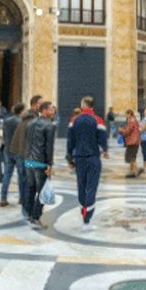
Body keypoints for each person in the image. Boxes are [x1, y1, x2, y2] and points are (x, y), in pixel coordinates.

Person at [66, 97, 108, 231]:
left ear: (83, 105)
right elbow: (103, 139)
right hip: (93, 158)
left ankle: (83, 215)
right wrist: (105, 150)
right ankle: (87, 220)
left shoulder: (74, 120)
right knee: (91, 187)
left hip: (80, 158)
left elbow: (70, 141)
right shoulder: (98, 120)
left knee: (81, 187)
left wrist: (70, 158)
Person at [23, 100, 57, 228]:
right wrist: (49, 163)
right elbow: (49, 147)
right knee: (43, 191)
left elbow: (27, 141)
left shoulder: (30, 124)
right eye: (51, 109)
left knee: (31, 188)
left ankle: (29, 213)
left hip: (29, 161)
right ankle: (35, 217)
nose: (53, 112)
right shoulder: (49, 126)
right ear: (44, 110)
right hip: (40, 162)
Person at [1, 103, 28, 209]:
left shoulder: (6, 120)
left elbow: (4, 134)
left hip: (7, 150)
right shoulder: (20, 122)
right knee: (21, 175)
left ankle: (3, 197)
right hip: (18, 151)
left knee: (7, 174)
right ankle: (22, 198)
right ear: (21, 111)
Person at [121, 109, 141, 178]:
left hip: (132, 142)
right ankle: (131, 173)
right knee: (132, 157)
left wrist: (121, 130)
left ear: (129, 114)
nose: (126, 116)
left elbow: (127, 131)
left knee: (129, 158)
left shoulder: (131, 122)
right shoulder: (135, 121)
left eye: (127, 114)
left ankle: (138, 169)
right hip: (136, 141)